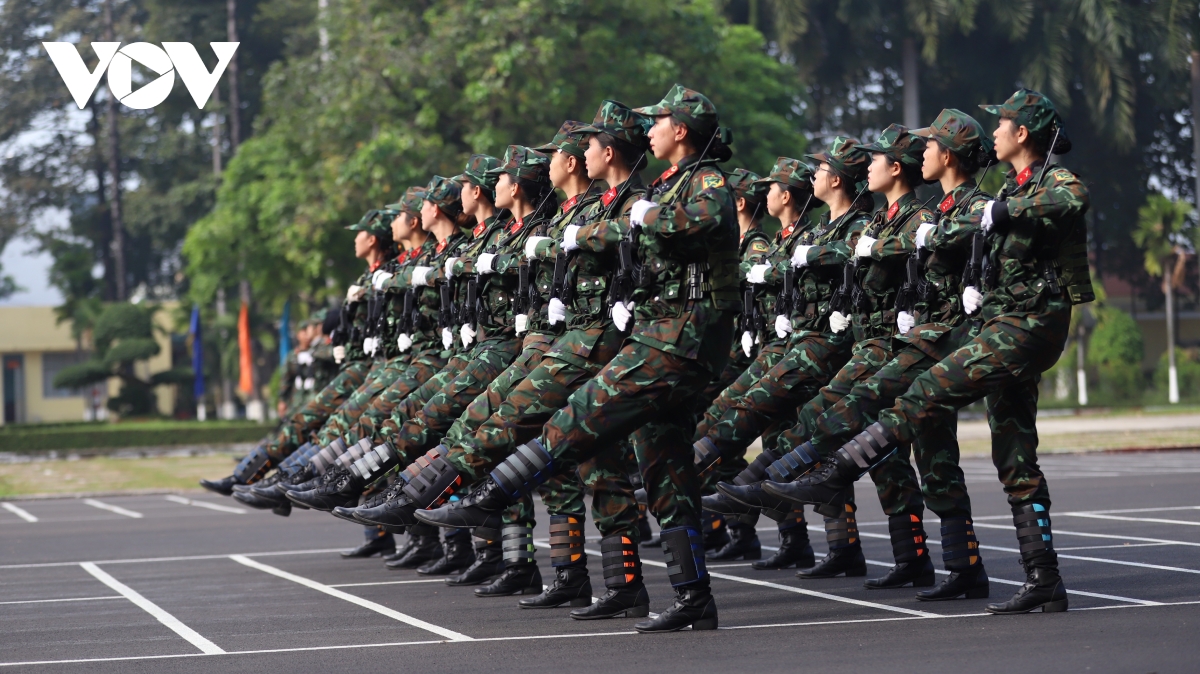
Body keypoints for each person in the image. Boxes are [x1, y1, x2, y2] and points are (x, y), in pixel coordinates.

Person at [405, 84, 740, 633]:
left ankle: (492, 493)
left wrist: (639, 221)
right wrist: (594, 233)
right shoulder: (664, 187)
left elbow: (700, 219)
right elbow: (620, 235)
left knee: (578, 413)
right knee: (665, 472)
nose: (650, 129)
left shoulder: (705, 183)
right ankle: (692, 596)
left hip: (682, 338)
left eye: (659, 121)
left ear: (681, 131)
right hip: (663, 335)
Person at [757, 89, 1091, 615]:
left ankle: (839, 468)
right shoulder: (1002, 190)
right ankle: (1039, 577)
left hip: (1027, 325)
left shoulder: (1044, 185)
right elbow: (950, 241)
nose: (997, 132)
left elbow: (1073, 199)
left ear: (1022, 134)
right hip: (998, 323)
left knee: (926, 389)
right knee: (1014, 457)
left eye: (1003, 124)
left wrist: (999, 213)